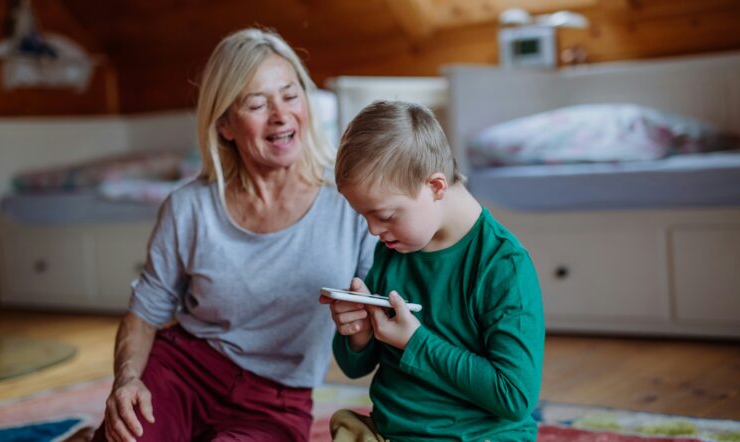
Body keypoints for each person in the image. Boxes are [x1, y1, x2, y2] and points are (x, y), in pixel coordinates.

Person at [92, 28, 376, 442]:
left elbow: (375, 322)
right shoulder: (188, 207)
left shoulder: (350, 202)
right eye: (257, 103)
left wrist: (363, 331)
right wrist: (127, 381)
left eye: (291, 95)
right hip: (184, 371)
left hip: (277, 400)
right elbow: (144, 312)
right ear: (225, 123)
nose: (281, 115)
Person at [321, 100, 546, 442]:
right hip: (391, 432)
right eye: (363, 216)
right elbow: (355, 368)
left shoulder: (503, 266)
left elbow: (514, 396)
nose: (372, 231)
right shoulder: (392, 250)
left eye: (384, 215)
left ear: (435, 187)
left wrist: (415, 342)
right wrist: (358, 332)